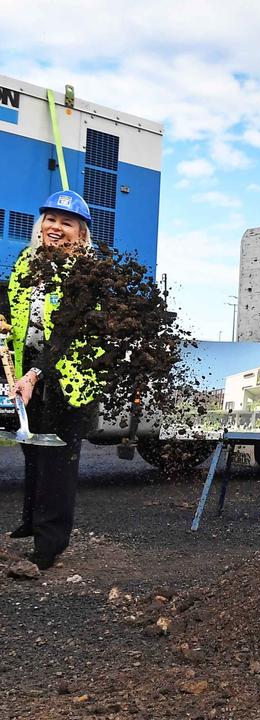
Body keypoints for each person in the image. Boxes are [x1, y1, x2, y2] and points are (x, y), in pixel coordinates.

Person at [2, 190, 101, 570]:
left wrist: (35, 373)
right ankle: (31, 522)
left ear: (81, 232)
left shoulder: (86, 272)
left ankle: (50, 542)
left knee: (58, 460)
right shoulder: (28, 262)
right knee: (33, 450)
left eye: (66, 222)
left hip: (69, 377)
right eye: (50, 219)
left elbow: (67, 330)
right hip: (32, 374)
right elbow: (14, 305)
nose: (55, 228)